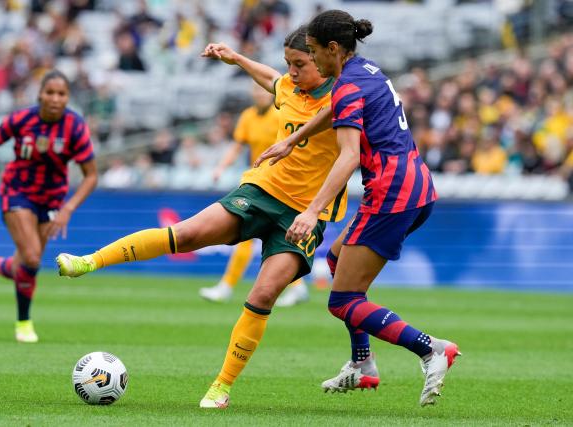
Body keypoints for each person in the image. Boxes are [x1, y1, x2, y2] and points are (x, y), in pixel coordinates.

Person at [55, 25, 352, 409]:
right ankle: (89, 261)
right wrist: (237, 58)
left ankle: (221, 386)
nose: (292, 73)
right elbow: (271, 79)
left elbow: (350, 151)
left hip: (307, 214)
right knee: (186, 234)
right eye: (288, 64)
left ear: (323, 59)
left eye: (299, 64)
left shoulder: (347, 98)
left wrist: (315, 212)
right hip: (261, 191)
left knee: (263, 293)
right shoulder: (288, 89)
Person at [256, 10, 460, 407]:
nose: (311, 61)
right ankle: (362, 365)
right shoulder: (366, 70)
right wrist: (293, 139)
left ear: (333, 49)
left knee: (343, 300)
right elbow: (335, 109)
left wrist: (312, 210)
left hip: (390, 192)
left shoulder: (347, 85)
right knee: (335, 262)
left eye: (313, 53)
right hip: (417, 184)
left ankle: (431, 349)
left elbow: (348, 156)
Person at [0, 70, 98, 343]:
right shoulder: (22, 119)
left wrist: (68, 209)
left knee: (26, 263)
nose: (56, 99)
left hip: (51, 199)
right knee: (33, 257)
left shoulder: (75, 126)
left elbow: (91, 175)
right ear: (40, 95)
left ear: (68, 98)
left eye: (62, 94)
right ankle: (23, 323)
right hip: (17, 192)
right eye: (50, 93)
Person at [199, 82, 309, 306]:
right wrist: (221, 167)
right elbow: (238, 146)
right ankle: (295, 287)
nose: (259, 94)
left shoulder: (281, 114)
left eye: (262, 90)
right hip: (259, 181)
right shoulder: (248, 116)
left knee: (266, 236)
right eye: (255, 91)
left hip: (281, 183)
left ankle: (228, 287)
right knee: (259, 236)